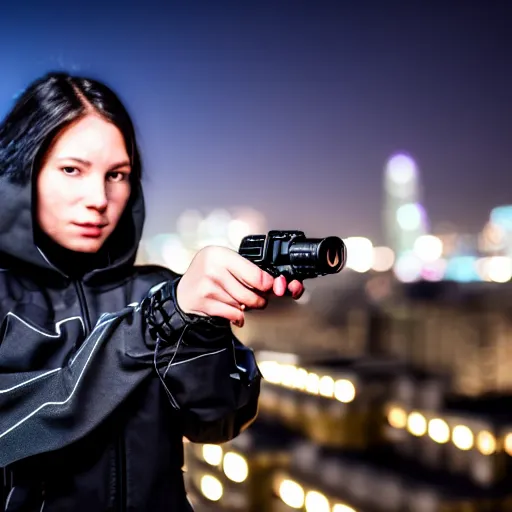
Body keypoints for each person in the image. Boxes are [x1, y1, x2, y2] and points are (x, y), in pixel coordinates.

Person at [0, 72, 304, 512]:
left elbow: (218, 420)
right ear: (21, 172)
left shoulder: (157, 288)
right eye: (72, 169)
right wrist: (158, 321)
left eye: (117, 174)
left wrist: (200, 326)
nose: (99, 198)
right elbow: (20, 427)